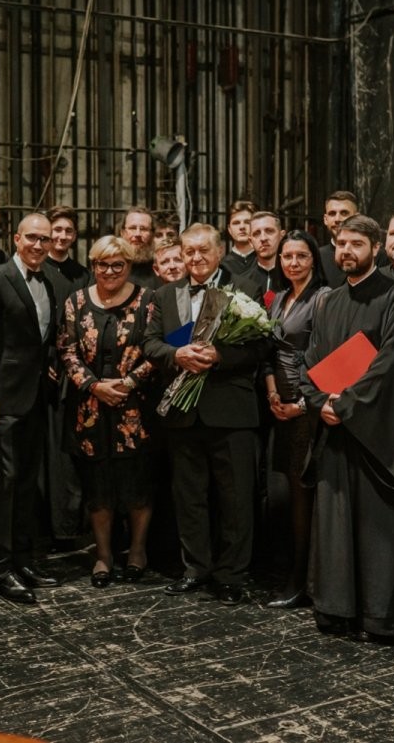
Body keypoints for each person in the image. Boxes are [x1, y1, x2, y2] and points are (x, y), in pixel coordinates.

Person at [298, 214, 394, 641]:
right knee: (335, 525)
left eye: (356, 243)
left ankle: (379, 616)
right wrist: (321, 402)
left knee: (377, 529)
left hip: (376, 433)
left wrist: (345, 403)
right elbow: (311, 361)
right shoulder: (328, 301)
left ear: (376, 247)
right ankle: (337, 611)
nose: (346, 251)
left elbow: (392, 361)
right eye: (340, 243)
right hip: (335, 430)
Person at [142, 224, 270, 606]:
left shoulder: (245, 288)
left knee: (236, 500)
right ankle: (195, 568)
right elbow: (149, 344)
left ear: (219, 252)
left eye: (203, 251)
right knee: (189, 497)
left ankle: (231, 574)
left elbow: (261, 347)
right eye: (189, 252)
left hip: (230, 410)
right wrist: (176, 354)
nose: (195, 258)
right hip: (183, 412)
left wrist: (220, 356)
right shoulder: (166, 295)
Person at [0, 213, 63, 604]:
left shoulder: (48, 282)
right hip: (2, 401)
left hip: (35, 398)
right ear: (16, 239)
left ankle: (24, 560)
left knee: (26, 482)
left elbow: (41, 341)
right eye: (32, 238)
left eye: (45, 239)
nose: (39, 245)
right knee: (4, 485)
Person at [58, 236, 156, 587]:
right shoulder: (76, 301)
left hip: (135, 408)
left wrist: (128, 383)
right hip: (90, 408)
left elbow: (156, 350)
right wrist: (94, 386)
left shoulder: (147, 300)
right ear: (93, 265)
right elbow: (67, 350)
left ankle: (138, 552)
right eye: (103, 264)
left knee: (137, 484)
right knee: (97, 487)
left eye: (118, 265)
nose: (110, 271)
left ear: (129, 266)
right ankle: (103, 556)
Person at [261, 230, 327, 609]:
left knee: (304, 498)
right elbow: (268, 354)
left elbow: (325, 355)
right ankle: (294, 574)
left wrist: (302, 405)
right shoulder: (280, 298)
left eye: (301, 256)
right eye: (287, 257)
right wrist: (272, 393)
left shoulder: (323, 298)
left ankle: (303, 581)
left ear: (313, 259)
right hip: (280, 407)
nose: (293, 263)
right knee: (287, 496)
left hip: (307, 410)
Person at [42, 206, 87, 544]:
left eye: (67, 231)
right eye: (56, 230)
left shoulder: (82, 274)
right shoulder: (36, 270)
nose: (61, 236)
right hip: (44, 372)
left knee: (72, 453)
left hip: (75, 371)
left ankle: (72, 525)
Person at [317, 191, 389, 287]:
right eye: (332, 214)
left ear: (357, 217)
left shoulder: (379, 255)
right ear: (325, 219)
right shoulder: (317, 256)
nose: (337, 219)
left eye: (344, 213)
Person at [44, 205, 90, 292]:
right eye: (58, 230)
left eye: (68, 231)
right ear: (47, 232)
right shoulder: (35, 269)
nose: (63, 237)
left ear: (74, 236)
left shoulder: (84, 275)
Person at [245, 210, 290, 299]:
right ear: (250, 242)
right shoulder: (242, 282)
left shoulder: (294, 279)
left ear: (282, 236)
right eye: (257, 233)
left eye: (269, 231)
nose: (263, 238)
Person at [121, 207, 158, 288]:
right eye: (132, 228)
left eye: (144, 229)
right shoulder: (108, 268)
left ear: (152, 234)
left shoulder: (161, 269)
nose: (137, 234)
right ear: (122, 233)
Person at [223, 200, 257, 274]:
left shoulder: (267, 263)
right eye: (236, 223)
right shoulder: (221, 267)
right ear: (229, 229)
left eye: (247, 222)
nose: (242, 227)